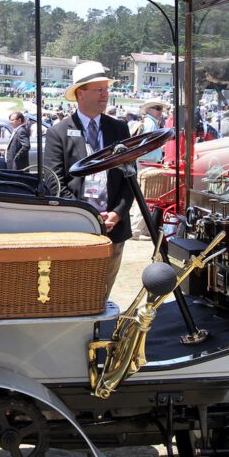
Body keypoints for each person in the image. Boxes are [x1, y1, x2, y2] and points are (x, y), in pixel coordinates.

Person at [44, 60, 133, 289]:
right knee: (75, 291)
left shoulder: (119, 129)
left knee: (103, 292)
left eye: (106, 88)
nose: (105, 94)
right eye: (99, 89)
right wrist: (88, 215)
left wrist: (117, 213)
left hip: (113, 229)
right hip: (76, 228)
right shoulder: (59, 132)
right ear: (80, 94)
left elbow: (130, 179)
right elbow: (54, 183)